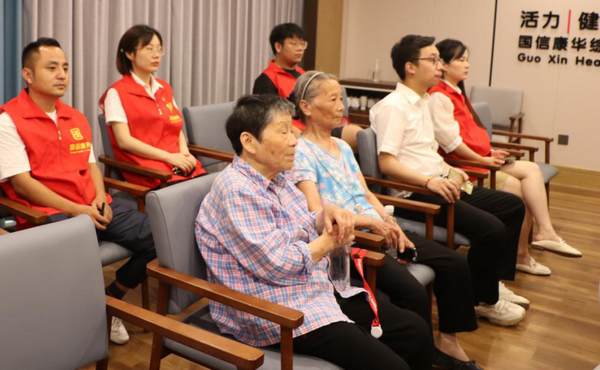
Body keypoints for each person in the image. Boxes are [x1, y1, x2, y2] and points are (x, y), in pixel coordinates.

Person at [195, 94, 432, 370]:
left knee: (415, 332)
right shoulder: (236, 190)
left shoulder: (278, 177)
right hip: (276, 311)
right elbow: (277, 264)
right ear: (249, 142)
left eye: (292, 130)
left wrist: (323, 218)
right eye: (283, 132)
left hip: (314, 288)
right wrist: (328, 242)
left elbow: (301, 221)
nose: (294, 140)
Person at [289, 71, 481, 370]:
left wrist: (390, 223)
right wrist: (373, 225)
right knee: (412, 292)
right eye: (333, 99)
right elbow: (316, 211)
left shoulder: (342, 146)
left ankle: (445, 343)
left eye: (341, 98)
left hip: (377, 227)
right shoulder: (300, 153)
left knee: (453, 263)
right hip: (352, 239)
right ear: (306, 107)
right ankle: (416, 356)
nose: (341, 106)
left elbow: (366, 192)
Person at [0, 37, 157, 345]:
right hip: (49, 215)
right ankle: (75, 328)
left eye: (65, 68)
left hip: (91, 205)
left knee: (158, 237)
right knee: (77, 254)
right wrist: (77, 210)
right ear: (28, 75)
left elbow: (91, 166)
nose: (62, 75)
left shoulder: (74, 116)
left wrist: (99, 198)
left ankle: (112, 298)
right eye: (52, 68)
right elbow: (23, 183)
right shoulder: (9, 121)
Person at [370, 35, 528, 326]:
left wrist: (449, 169)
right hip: (415, 193)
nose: (440, 67)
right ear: (410, 67)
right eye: (433, 60)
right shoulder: (394, 106)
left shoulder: (423, 101)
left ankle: (490, 282)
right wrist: (429, 181)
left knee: (512, 206)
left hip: (441, 183)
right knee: (491, 228)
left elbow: (427, 151)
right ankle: (483, 300)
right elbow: (387, 163)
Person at [429, 39, 581, 275]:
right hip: (467, 166)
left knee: (532, 170)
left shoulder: (457, 92)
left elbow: (470, 135)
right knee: (519, 190)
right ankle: (522, 253)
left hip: (480, 160)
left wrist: (489, 153)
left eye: (467, 59)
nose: (467, 65)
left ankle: (543, 234)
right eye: (460, 59)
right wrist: (483, 159)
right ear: (444, 65)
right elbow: (452, 143)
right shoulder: (439, 96)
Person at [99, 24, 204, 188]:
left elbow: (175, 126)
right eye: (149, 49)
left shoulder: (164, 88)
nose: (156, 55)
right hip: (147, 168)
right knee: (191, 194)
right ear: (129, 54)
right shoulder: (116, 92)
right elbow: (124, 141)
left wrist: (184, 152)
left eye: (159, 49)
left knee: (210, 190)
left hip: (177, 162)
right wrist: (169, 157)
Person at [252, 22, 361, 148]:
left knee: (358, 134)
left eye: (302, 44)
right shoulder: (266, 79)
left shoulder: (305, 76)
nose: (300, 48)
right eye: (294, 44)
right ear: (278, 46)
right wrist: (301, 138)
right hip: (297, 132)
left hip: (319, 126)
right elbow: (270, 120)